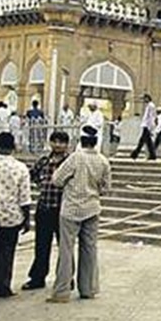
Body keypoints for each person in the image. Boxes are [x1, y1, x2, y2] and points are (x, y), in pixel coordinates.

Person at [49, 126, 111, 303]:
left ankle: (61, 291)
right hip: (92, 208)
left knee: (66, 250)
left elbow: (57, 180)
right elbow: (106, 188)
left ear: (81, 141)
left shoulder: (75, 158)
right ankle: (88, 288)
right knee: (89, 248)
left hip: (71, 209)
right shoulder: (103, 161)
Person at [0, 132, 32, 299]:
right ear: (13, 147)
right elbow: (24, 196)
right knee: (6, 251)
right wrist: (27, 218)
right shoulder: (20, 167)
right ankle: (1, 286)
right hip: (11, 216)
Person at [23, 130, 70, 291]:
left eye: (61, 142)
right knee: (41, 246)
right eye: (55, 141)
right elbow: (32, 175)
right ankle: (37, 277)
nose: (58, 145)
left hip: (63, 210)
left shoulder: (70, 162)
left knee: (64, 247)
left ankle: (66, 278)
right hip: (44, 208)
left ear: (66, 145)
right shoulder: (43, 161)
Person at [130, 94, 158, 160]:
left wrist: (150, 127)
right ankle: (152, 155)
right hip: (146, 125)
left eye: (145, 99)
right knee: (148, 142)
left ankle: (135, 154)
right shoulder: (148, 106)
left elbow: (151, 117)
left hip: (147, 126)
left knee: (142, 141)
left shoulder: (151, 106)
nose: (144, 100)